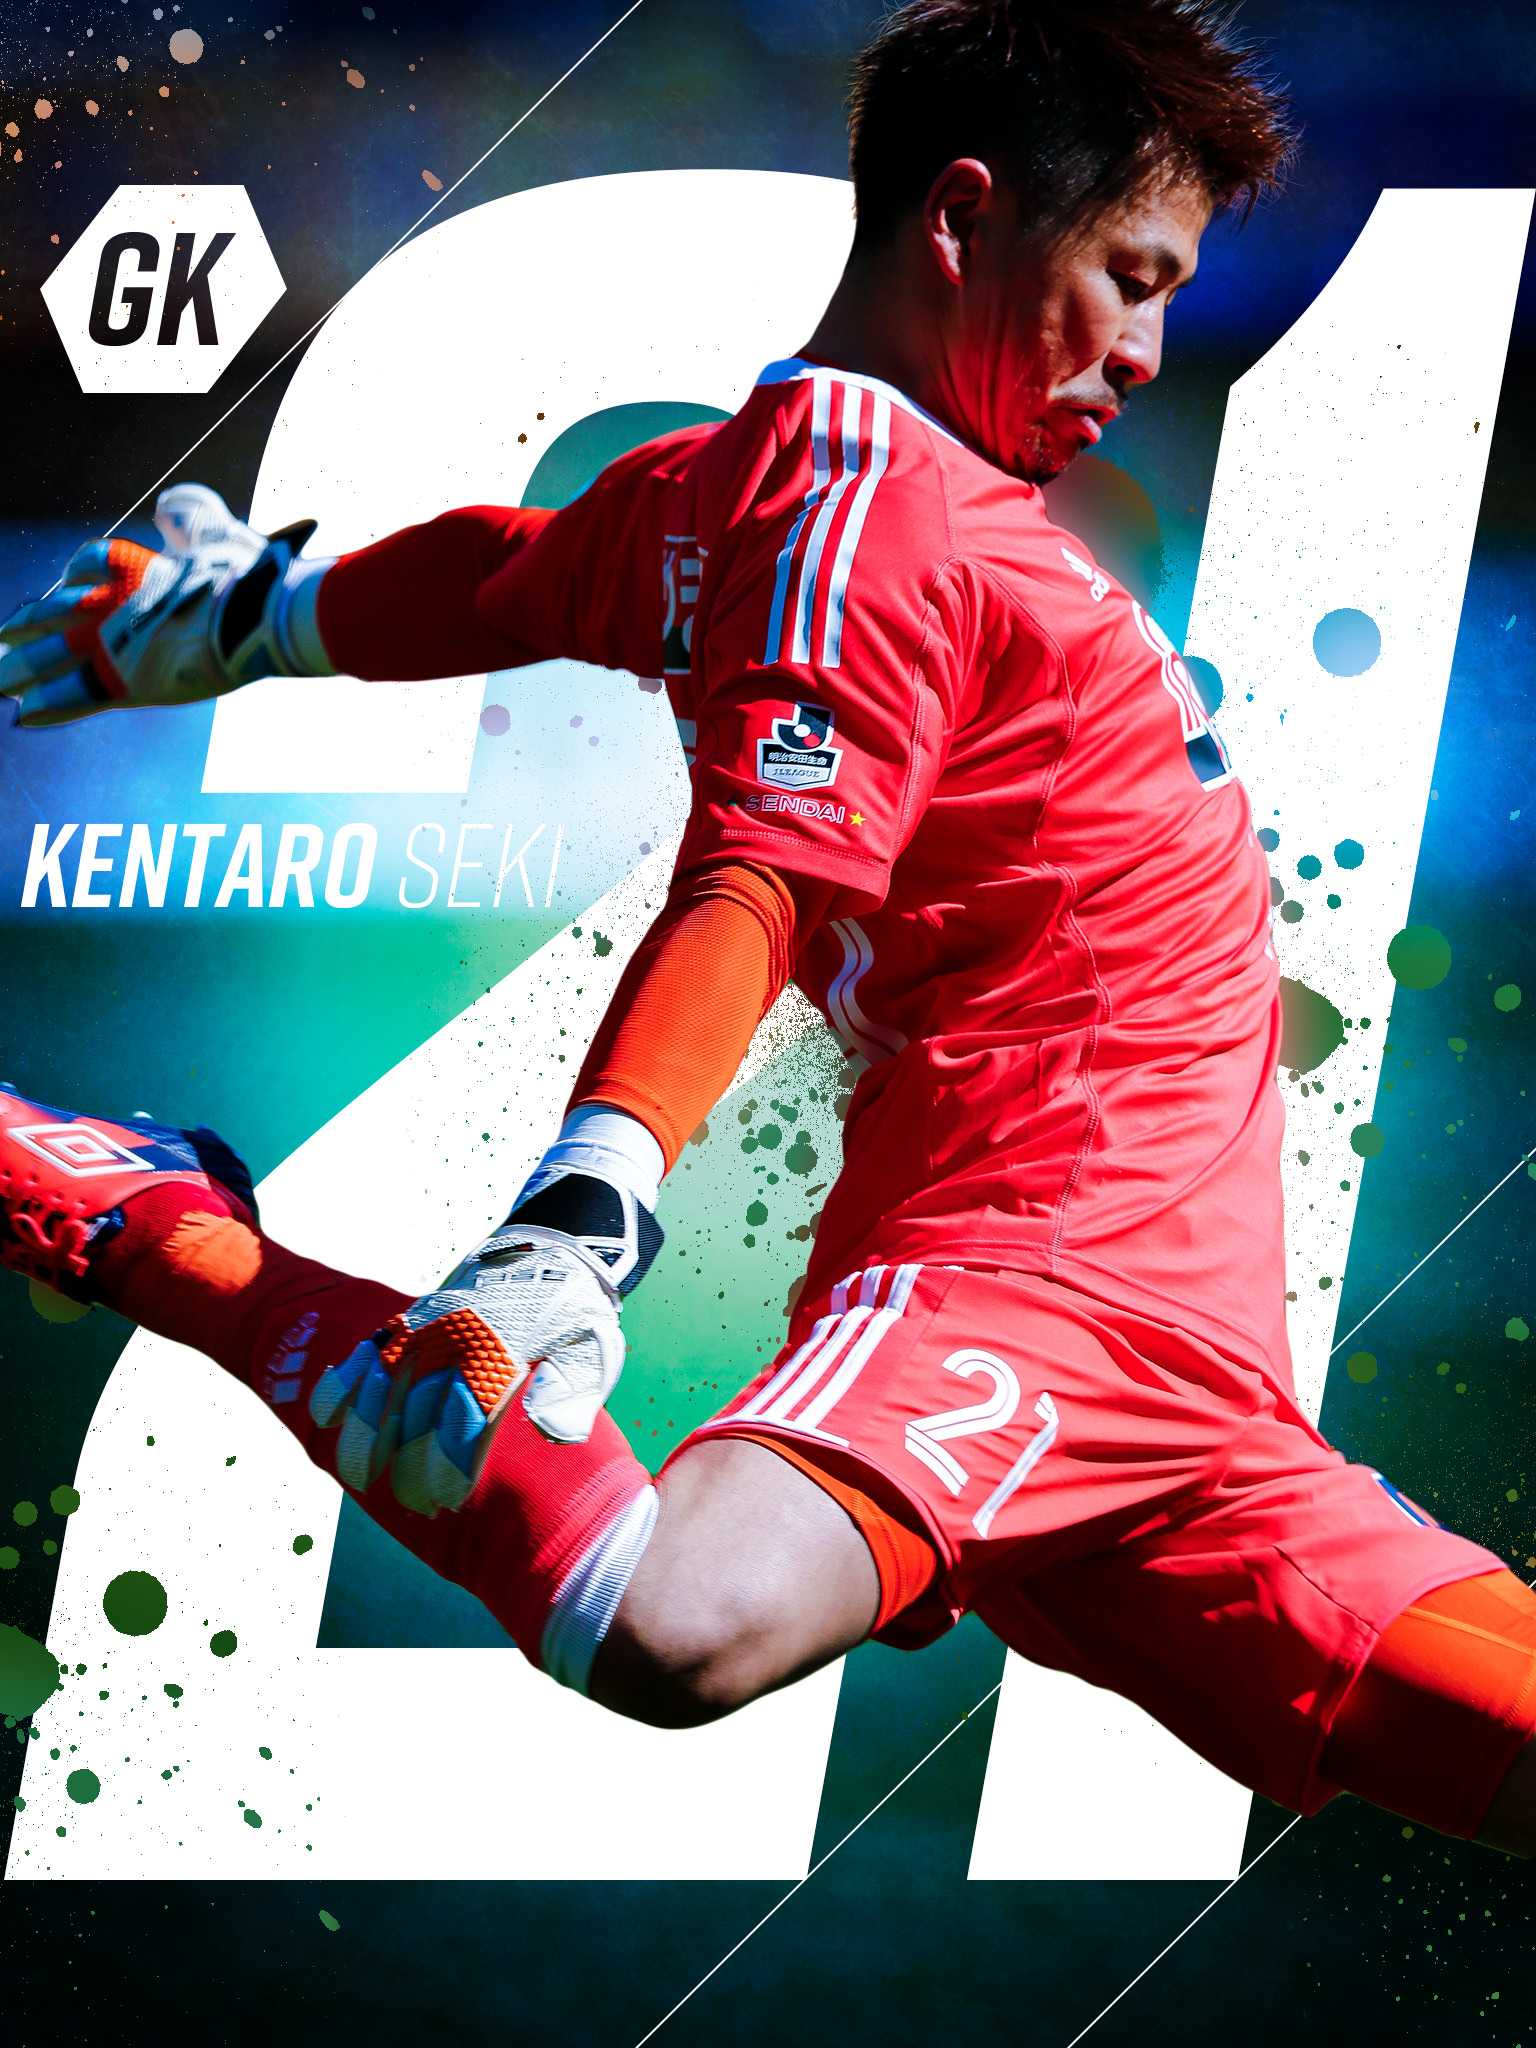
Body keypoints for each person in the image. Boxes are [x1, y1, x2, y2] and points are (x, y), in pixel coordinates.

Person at [4, 0, 1536, 1853]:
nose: (1145, 350)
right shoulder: (863, 511)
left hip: (1203, 1385)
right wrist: (578, 1222)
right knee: (673, 1621)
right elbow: (756, 876)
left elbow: (510, 570)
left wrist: (256, 611)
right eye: (1129, 280)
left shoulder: (772, 491)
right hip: (1028, 1272)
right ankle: (146, 1226)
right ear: (960, 219)